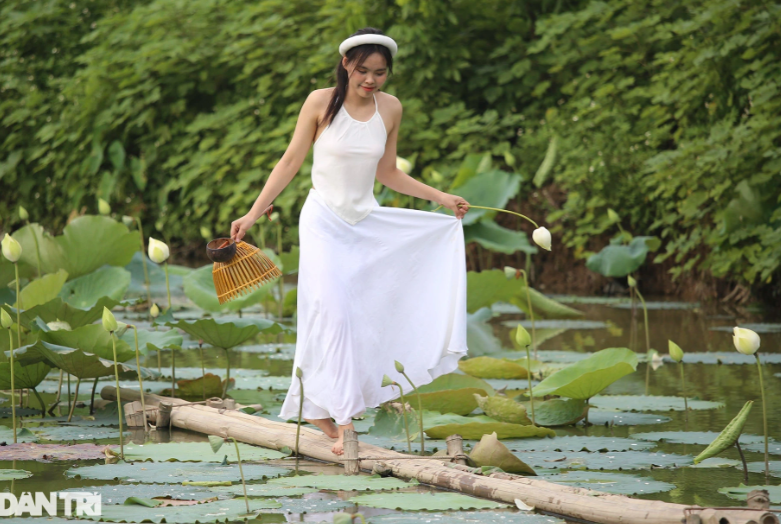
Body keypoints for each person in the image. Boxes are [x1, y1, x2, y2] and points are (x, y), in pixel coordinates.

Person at [230, 27, 470, 455]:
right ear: (346, 65)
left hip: (366, 223)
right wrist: (252, 213)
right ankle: (341, 421)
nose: (371, 80)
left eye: (380, 73)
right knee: (332, 311)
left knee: (360, 315)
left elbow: (388, 173)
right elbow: (290, 161)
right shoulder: (321, 102)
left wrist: (440, 196)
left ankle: (322, 408)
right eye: (363, 71)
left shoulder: (391, 109)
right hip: (323, 219)